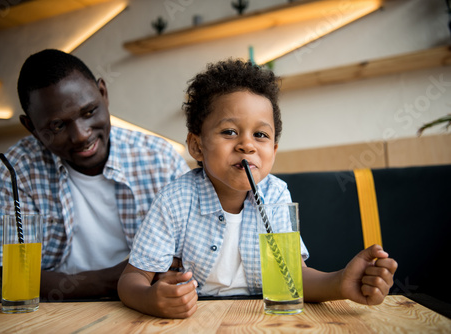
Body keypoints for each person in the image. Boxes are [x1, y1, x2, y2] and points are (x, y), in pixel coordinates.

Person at [118, 59, 398, 318]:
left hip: (262, 320)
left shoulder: (276, 195)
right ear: (197, 146)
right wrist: (150, 298)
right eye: (229, 132)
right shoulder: (175, 199)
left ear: (273, 151)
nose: (247, 145)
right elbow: (132, 279)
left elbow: (293, 278)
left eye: (260, 135)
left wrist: (340, 282)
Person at [0, 49, 190, 301]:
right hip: (52, 303)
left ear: (103, 94)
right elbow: (12, 273)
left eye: (89, 112)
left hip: (141, 297)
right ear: (32, 128)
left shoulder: (159, 158)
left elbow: (189, 253)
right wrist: (113, 281)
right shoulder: (17, 168)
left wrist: (134, 283)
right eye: (57, 126)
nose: (81, 135)